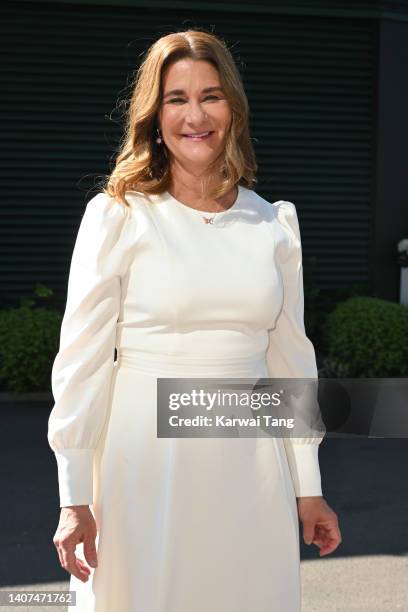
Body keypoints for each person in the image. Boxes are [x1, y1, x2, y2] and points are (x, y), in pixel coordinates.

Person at [48, 28, 341, 612]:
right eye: (176, 98)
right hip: (144, 462)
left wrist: (308, 487)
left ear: (232, 107)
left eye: (210, 95)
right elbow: (81, 360)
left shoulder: (274, 223)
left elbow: (289, 362)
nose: (195, 115)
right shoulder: (118, 215)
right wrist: (74, 496)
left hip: (250, 466)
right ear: (154, 115)